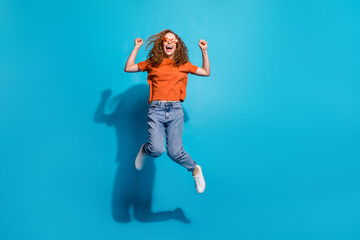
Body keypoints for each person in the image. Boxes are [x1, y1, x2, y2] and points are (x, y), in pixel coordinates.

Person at [124, 29, 210, 193]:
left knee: (175, 152)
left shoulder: (183, 65)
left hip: (175, 111)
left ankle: (195, 170)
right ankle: (144, 149)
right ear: (161, 44)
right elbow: (128, 68)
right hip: (156, 110)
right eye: (166, 40)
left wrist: (204, 51)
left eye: (173, 40)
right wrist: (136, 47)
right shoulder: (152, 63)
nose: (169, 42)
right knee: (156, 150)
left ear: (177, 44)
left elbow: (206, 72)